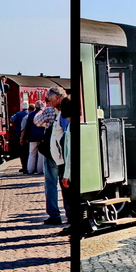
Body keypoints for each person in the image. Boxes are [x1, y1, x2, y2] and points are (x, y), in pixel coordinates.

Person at [38, 88, 65, 225]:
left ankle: (55, 215)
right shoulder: (64, 110)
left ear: (58, 98)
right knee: (65, 184)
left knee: (51, 184)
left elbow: (37, 121)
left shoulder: (50, 111)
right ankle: (67, 214)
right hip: (61, 153)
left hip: (54, 153)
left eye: (50, 99)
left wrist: (41, 111)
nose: (49, 102)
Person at [56, 95, 75, 236]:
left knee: (71, 199)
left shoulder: (71, 127)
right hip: (68, 169)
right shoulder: (69, 126)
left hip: (70, 171)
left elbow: (70, 154)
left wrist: (66, 175)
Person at [25, 100, 47, 174]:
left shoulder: (30, 115)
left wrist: (27, 137)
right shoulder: (44, 114)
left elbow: (27, 127)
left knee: (32, 153)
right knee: (41, 154)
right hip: (42, 137)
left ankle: (30, 170)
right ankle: (40, 170)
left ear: (35, 106)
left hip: (32, 137)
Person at [9, 101, 30, 173]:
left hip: (19, 134)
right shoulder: (30, 113)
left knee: (22, 152)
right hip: (28, 135)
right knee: (29, 152)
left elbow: (12, 119)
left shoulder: (18, 114)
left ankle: (24, 166)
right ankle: (29, 166)